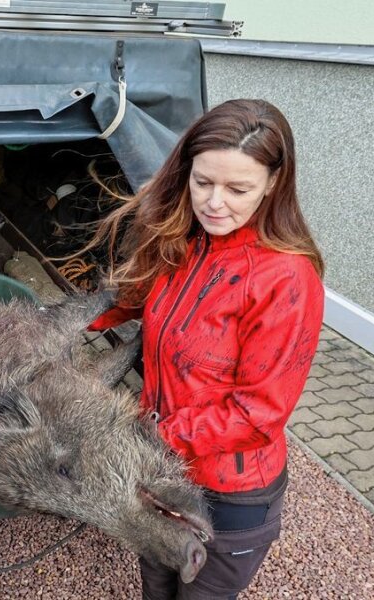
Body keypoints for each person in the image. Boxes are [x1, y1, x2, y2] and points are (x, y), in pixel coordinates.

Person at [87, 99, 325, 599]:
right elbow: (140, 299)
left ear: (273, 183)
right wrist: (60, 324)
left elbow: (259, 413)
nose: (215, 202)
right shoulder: (186, 240)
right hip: (163, 470)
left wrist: (152, 439)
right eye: (203, 182)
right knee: (156, 587)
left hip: (229, 495)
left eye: (238, 189)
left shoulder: (286, 279)